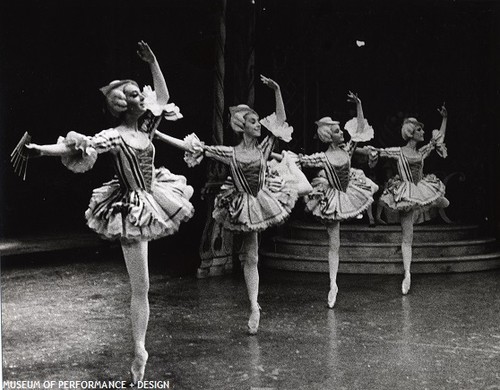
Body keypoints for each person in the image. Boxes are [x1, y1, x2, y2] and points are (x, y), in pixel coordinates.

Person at [20, 41, 194, 383]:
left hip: (155, 196)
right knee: (140, 287)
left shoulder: (146, 127)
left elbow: (161, 95)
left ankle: (140, 348)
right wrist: (41, 150)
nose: (139, 96)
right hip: (129, 208)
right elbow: (77, 146)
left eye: (137, 92)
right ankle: (139, 349)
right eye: (132, 94)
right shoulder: (115, 136)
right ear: (121, 104)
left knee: (143, 288)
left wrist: (154, 61)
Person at [154, 75, 296, 335]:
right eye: (253, 122)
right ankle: (254, 305)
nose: (258, 126)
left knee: (251, 255)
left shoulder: (265, 148)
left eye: (257, 122)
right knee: (248, 256)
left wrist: (277, 90)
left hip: (262, 200)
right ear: (242, 126)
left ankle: (254, 305)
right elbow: (196, 147)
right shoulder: (230, 152)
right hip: (242, 203)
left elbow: (280, 121)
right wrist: (160, 135)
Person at [298, 92, 378, 308]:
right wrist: (283, 159)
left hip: (348, 192)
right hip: (331, 197)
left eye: (341, 130)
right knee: (334, 243)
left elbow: (360, 131)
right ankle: (333, 283)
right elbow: (302, 160)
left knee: (336, 242)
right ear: (328, 136)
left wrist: (359, 105)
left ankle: (333, 283)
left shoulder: (348, 149)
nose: (342, 133)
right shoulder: (323, 157)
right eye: (337, 131)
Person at [373, 104, 449, 294]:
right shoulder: (399, 152)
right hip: (406, 192)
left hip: (421, 189)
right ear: (410, 133)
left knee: (444, 201)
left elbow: (437, 140)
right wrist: (358, 149)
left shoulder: (421, 152)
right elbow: (378, 152)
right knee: (407, 237)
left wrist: (444, 119)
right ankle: (407, 273)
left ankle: (433, 202)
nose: (423, 132)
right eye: (419, 130)